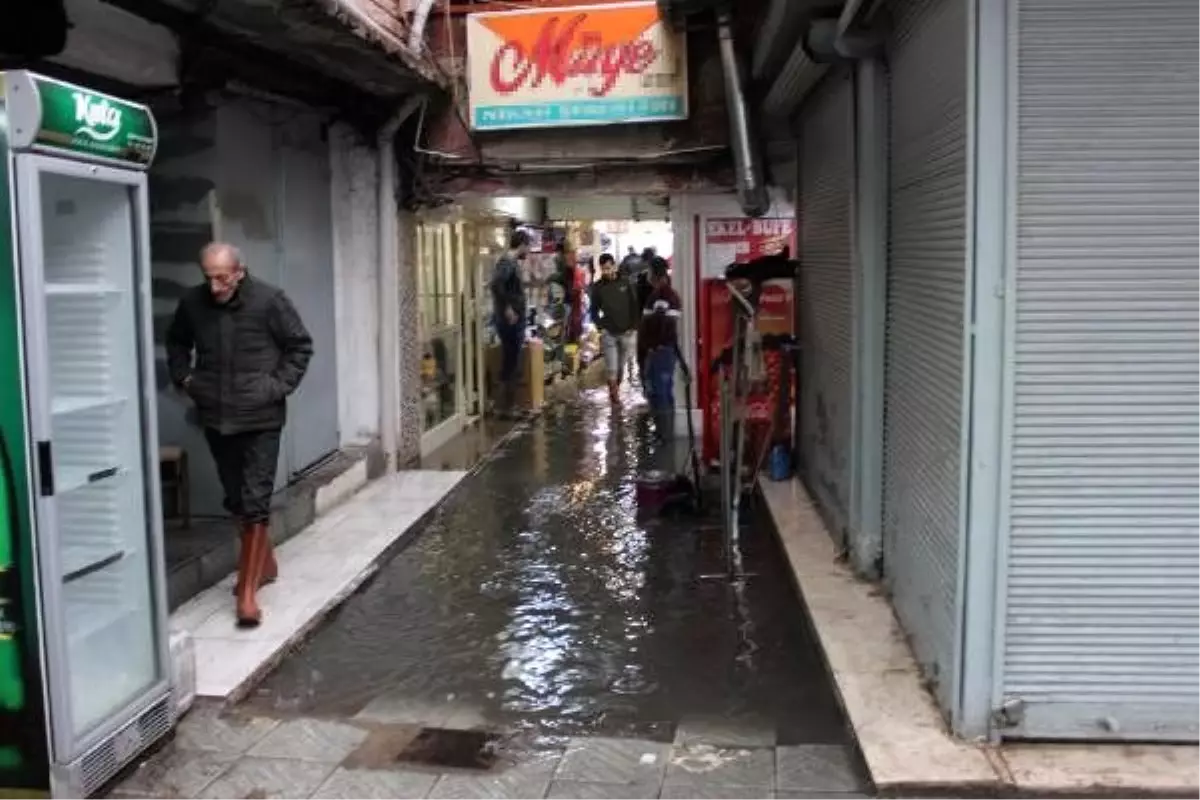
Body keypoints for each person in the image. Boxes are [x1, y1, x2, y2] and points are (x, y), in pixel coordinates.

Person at [166, 242, 313, 628]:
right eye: (209, 278)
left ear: (239, 271)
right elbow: (177, 341)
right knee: (235, 497)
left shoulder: (269, 301)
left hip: (261, 416)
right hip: (216, 415)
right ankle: (263, 565)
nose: (215, 286)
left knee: (254, 499)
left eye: (222, 277)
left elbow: (300, 345)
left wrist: (275, 387)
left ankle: (247, 595)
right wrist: (185, 378)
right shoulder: (194, 303)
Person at [639, 256, 683, 441]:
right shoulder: (659, 294)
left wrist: (652, 347)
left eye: (649, 271)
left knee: (660, 392)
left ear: (656, 274)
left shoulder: (663, 296)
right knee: (660, 391)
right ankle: (664, 433)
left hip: (661, 352)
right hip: (662, 351)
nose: (647, 275)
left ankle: (664, 435)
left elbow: (664, 325)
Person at [590, 253, 640, 403]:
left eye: (608, 268)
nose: (606, 272)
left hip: (626, 333)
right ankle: (615, 400)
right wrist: (600, 327)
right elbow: (593, 310)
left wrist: (633, 326)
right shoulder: (598, 287)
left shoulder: (626, 282)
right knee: (611, 368)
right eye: (603, 269)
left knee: (619, 368)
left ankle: (615, 388)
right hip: (609, 333)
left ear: (614, 266)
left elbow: (635, 305)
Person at [490, 229, 530, 418]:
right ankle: (506, 407)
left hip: (512, 318)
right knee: (511, 361)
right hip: (510, 320)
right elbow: (496, 285)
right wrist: (508, 308)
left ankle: (506, 406)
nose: (528, 251)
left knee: (511, 360)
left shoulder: (511, 263)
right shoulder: (507, 263)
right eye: (527, 246)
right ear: (522, 244)